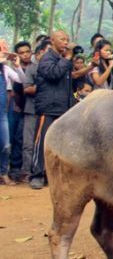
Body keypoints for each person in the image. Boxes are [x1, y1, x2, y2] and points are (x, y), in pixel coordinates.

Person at [30, 31, 75, 190]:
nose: (66, 42)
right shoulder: (47, 59)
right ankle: (36, 175)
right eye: (62, 39)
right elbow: (53, 74)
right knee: (41, 142)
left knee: (58, 145)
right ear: (52, 41)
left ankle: (51, 176)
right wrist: (67, 59)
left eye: (67, 40)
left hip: (62, 109)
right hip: (48, 108)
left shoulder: (63, 60)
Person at [20, 41, 48, 182]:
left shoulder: (53, 68)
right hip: (31, 110)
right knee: (28, 143)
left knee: (44, 144)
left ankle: (41, 173)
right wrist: (45, 86)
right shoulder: (32, 69)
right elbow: (27, 89)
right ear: (38, 54)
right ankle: (26, 172)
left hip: (47, 111)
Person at [0, 48, 27, 185]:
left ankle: (3, 173)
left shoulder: (4, 69)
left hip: (2, 114)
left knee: (6, 144)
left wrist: (17, 66)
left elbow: (22, 80)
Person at [7, 41, 33, 182]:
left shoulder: (35, 68)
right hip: (17, 108)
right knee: (16, 138)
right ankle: (15, 168)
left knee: (26, 140)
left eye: (27, 52)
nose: (25, 55)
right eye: (21, 53)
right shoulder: (12, 69)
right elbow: (13, 90)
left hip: (31, 107)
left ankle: (25, 168)